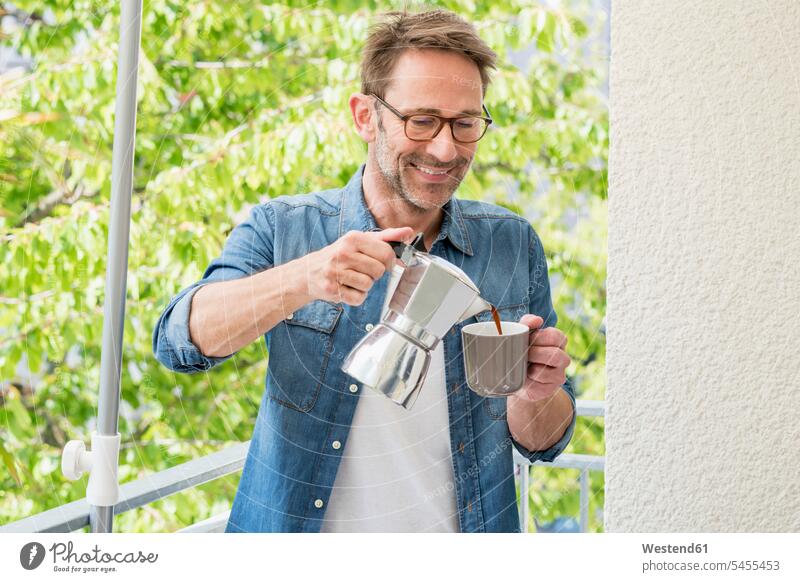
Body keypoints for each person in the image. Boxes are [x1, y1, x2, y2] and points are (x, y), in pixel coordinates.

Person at [152, 8, 575, 533]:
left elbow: (545, 439)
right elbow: (180, 341)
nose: (445, 149)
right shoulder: (287, 228)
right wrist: (306, 277)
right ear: (364, 117)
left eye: (465, 124)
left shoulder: (510, 243)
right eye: (421, 120)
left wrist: (534, 394)